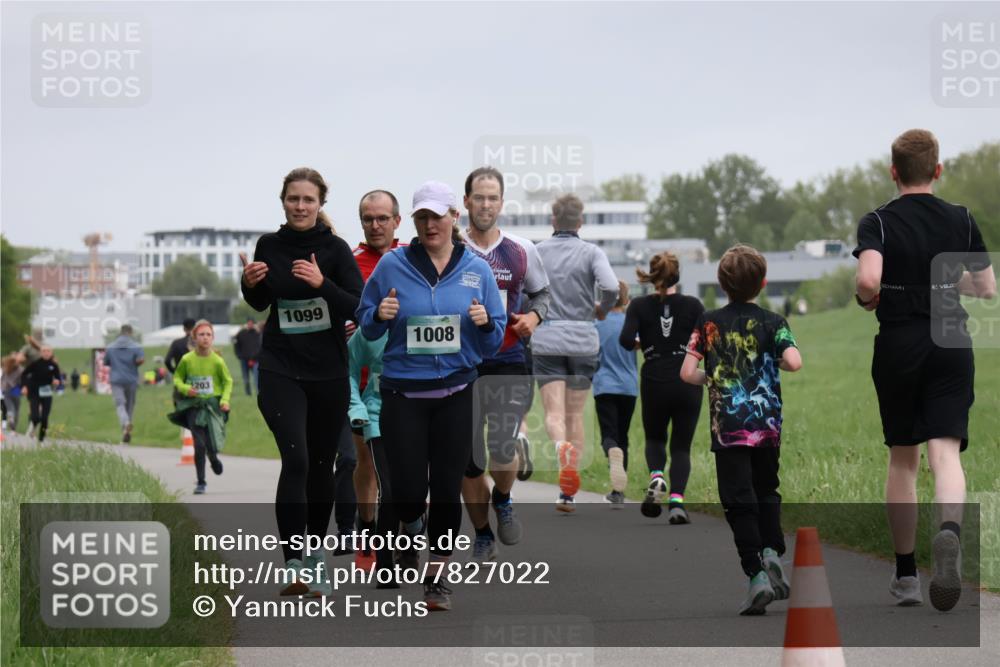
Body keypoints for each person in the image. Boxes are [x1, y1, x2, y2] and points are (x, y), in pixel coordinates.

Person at [853, 129, 996, 611]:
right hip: (951, 340)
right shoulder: (962, 218)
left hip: (900, 343)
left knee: (903, 459)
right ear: (938, 170)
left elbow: (869, 278)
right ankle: (950, 532)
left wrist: (867, 296)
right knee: (946, 454)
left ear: (894, 172)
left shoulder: (878, 221)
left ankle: (907, 576)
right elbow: (986, 287)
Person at [357, 180, 506, 611]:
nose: (429, 225)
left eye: (436, 216)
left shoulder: (477, 270)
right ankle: (411, 522)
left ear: (453, 218)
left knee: (444, 487)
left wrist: (483, 324)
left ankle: (436, 576)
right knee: (405, 492)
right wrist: (379, 314)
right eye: (421, 217)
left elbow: (495, 340)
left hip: (456, 392)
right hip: (403, 394)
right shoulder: (392, 265)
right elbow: (366, 325)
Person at [241, 167, 363, 597]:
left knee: (320, 467)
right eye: (293, 199)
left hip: (328, 372)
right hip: (280, 367)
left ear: (320, 205)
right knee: (295, 459)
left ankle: (315, 554)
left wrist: (321, 283)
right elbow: (260, 302)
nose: (300, 206)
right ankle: (293, 562)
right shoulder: (268, 245)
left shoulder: (335, 249)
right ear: (283, 201)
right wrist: (248, 284)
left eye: (308, 200)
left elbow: (358, 307)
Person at [681, 244, 801, 616]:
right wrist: (772, 359)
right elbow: (794, 363)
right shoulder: (775, 322)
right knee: (767, 488)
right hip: (766, 426)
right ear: (762, 283)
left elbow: (686, 373)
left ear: (721, 283)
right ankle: (772, 550)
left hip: (728, 428)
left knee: (738, 499)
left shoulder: (708, 322)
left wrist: (713, 378)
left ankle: (755, 575)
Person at [460, 167, 550, 562]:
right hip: (459, 365)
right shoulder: (452, 248)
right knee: (468, 459)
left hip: (509, 360)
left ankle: (503, 497)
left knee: (501, 444)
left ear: (501, 202)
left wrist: (535, 318)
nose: (485, 204)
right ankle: (481, 533)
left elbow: (542, 294)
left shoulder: (520, 249)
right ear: (466, 202)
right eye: (478, 197)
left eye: (492, 198)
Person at [532, 194, 618, 512]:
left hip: (548, 338)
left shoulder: (537, 252)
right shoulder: (591, 252)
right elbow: (610, 286)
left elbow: (526, 291)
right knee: (575, 415)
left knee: (554, 414)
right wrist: (601, 310)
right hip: (583, 338)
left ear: (553, 221)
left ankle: (560, 447)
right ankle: (568, 495)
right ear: (580, 222)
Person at [621, 252, 705, 523]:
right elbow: (706, 342)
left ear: (653, 275)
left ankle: (657, 477)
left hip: (654, 379)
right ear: (677, 276)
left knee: (655, 439)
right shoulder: (694, 305)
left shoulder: (638, 305)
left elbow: (625, 340)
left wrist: (643, 343)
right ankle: (677, 504)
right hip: (686, 379)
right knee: (681, 447)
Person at [349, 189, 405, 572]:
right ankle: (368, 528)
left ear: (397, 221)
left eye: (382, 218)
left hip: (408, 378)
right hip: (365, 377)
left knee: (408, 467)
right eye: (368, 218)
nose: (375, 225)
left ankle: (403, 535)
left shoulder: (412, 259)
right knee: (367, 462)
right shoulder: (349, 262)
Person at [170, 320, 233, 494]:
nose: (205, 338)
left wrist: (224, 400)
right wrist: (185, 389)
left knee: (211, 444)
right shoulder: (187, 360)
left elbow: (228, 382)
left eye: (208, 335)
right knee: (199, 445)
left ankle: (213, 458)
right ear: (194, 338)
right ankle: (201, 481)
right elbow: (177, 378)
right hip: (194, 406)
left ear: (212, 338)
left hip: (213, 406)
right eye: (201, 335)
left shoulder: (217, 361)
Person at [593, 280, 637, 508]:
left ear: (604, 299)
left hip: (604, 386)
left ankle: (612, 452)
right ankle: (618, 494)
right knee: (624, 437)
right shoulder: (632, 324)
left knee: (609, 437)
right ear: (627, 300)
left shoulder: (597, 324)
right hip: (629, 387)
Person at [103, 324, 145, 443]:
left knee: (120, 404)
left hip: (116, 379)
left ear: (120, 332)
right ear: (130, 333)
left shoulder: (110, 347)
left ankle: (126, 424)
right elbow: (140, 360)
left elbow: (106, 362)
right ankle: (127, 429)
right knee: (130, 406)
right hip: (131, 379)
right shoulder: (136, 347)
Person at [22, 346, 62, 442]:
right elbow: (24, 374)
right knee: (35, 416)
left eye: (48, 351)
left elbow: (58, 378)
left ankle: (41, 439)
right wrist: (24, 386)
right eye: (44, 351)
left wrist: (56, 381)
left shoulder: (53, 365)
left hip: (47, 392)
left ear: (51, 352)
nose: (46, 353)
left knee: (44, 418)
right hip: (34, 391)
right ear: (40, 353)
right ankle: (33, 425)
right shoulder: (35, 364)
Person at [233, 318, 263, 395]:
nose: (250, 325)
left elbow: (260, 347)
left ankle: (258, 393)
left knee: (256, 378)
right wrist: (239, 355)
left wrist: (255, 358)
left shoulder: (258, 334)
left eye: (251, 323)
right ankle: (248, 393)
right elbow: (236, 343)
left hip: (255, 360)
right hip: (244, 360)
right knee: (246, 379)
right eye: (248, 323)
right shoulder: (241, 333)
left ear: (253, 324)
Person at [2, 352, 26, 432]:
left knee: (10, 407)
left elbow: (2, 379)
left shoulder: (5, 368)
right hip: (16, 390)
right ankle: (13, 429)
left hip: (6, 390)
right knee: (17, 409)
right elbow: (23, 381)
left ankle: (11, 417)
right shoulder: (21, 369)